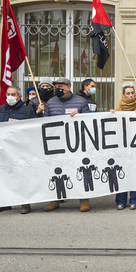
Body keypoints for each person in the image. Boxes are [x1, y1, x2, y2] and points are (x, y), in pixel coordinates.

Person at [0, 86, 38, 214]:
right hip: (3, 150)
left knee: (22, 175)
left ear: (19, 96)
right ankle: (4, 202)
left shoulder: (27, 110)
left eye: (13, 94)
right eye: (8, 94)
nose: (10, 97)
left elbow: (34, 129)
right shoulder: (0, 110)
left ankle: (25, 203)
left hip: (21, 149)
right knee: (3, 175)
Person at [43, 77, 90, 212]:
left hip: (76, 143)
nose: (58, 89)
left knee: (79, 169)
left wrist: (79, 116)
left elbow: (88, 121)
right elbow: (45, 122)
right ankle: (55, 200)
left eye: (61, 86)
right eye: (56, 86)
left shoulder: (81, 102)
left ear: (68, 87)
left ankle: (84, 200)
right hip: (57, 143)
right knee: (56, 171)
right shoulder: (51, 102)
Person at [114, 82, 136, 210]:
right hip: (122, 146)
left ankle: (134, 200)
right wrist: (111, 115)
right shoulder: (118, 108)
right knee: (121, 173)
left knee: (135, 173)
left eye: (132, 93)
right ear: (123, 95)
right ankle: (120, 201)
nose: (130, 95)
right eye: (128, 93)